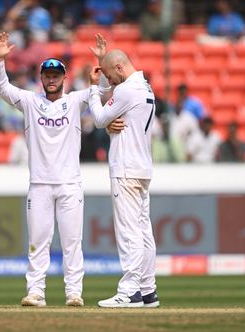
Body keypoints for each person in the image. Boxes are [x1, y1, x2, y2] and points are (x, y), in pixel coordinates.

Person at [0, 31, 109, 308]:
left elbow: (102, 91)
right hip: (40, 185)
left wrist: (102, 63)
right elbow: (2, 88)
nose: (52, 78)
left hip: (70, 184)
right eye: (47, 74)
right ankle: (35, 292)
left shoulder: (76, 101)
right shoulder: (31, 102)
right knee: (38, 243)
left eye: (56, 74)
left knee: (72, 243)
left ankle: (73, 293)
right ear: (41, 78)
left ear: (63, 78)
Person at [87, 37, 159, 308]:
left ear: (118, 67)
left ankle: (130, 291)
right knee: (143, 232)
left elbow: (98, 118)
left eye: (109, 75)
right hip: (141, 167)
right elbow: (115, 114)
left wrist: (94, 87)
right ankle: (148, 289)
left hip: (126, 168)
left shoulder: (128, 90)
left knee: (129, 232)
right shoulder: (144, 86)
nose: (108, 81)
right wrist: (101, 62)